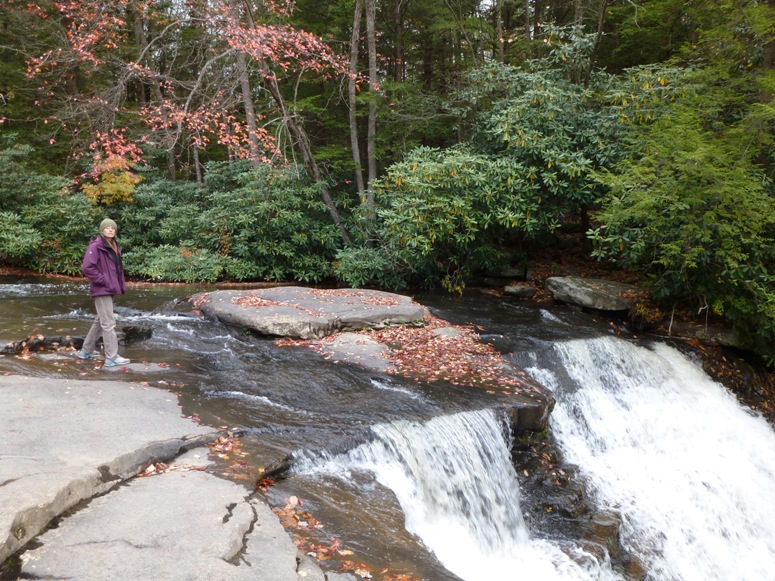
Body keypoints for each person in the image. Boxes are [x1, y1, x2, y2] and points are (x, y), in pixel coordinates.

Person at [78, 218, 131, 367]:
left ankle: (85, 351)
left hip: (110, 288)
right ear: (102, 230)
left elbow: (116, 269)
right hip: (102, 289)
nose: (110, 230)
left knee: (100, 321)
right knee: (108, 323)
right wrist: (104, 281)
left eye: (112, 228)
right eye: (107, 228)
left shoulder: (113, 245)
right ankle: (111, 357)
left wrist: (117, 285)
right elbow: (87, 268)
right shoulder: (95, 246)